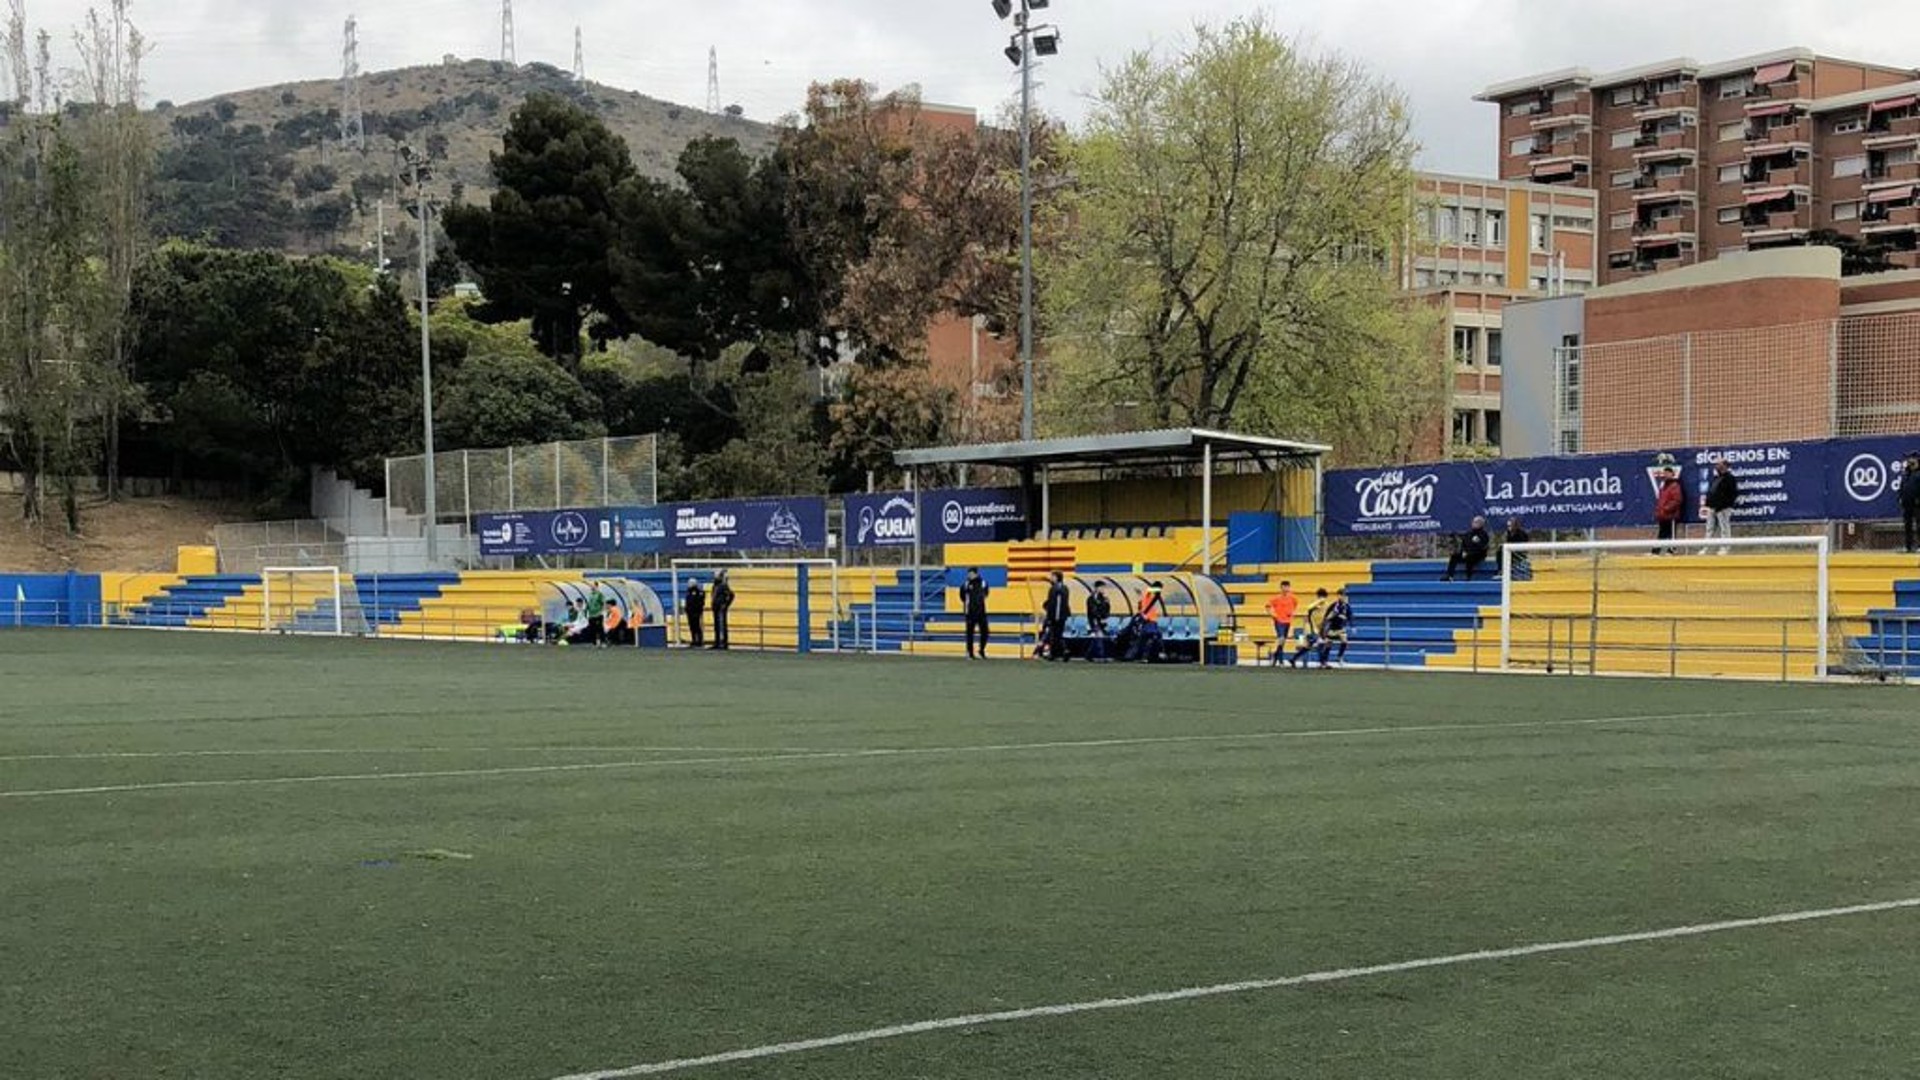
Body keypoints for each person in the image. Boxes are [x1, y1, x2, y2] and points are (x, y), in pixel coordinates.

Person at [1702, 457, 1740, 556]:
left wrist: (1724, 505)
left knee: (1724, 528)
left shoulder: (1730, 478)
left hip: (1723, 508)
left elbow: (1733, 494)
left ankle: (1725, 548)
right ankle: (1706, 548)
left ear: (1725, 466)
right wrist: (1709, 504)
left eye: (1719, 464)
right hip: (1712, 507)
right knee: (1709, 528)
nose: (1716, 466)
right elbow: (1712, 491)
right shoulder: (1716, 478)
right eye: (1716, 464)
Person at [1288, 588, 1330, 668]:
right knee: (1321, 643)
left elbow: (1325, 617)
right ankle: (1323, 663)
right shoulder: (1315, 605)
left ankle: (1293, 659)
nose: (1322, 599)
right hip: (1311, 628)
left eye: (1323, 597)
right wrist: (1319, 602)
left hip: (1319, 628)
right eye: (1321, 597)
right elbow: (1308, 607)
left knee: (1308, 647)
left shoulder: (1326, 605)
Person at [1126, 581, 1166, 662]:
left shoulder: (1148, 596)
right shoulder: (1149, 594)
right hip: (1149, 621)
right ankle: (1147, 656)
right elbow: (1155, 596)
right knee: (1150, 638)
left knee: (1144, 639)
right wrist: (1144, 613)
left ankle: (1134, 656)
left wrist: (1143, 614)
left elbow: (1145, 603)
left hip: (1150, 621)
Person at [1444, 516, 1492, 581]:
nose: (1473, 523)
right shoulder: (1469, 533)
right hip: (1467, 553)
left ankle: (1468, 577)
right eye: (1473, 522)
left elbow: (1483, 547)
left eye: (1475, 522)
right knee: (1454, 557)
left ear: (1481, 524)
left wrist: (1478, 542)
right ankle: (1450, 576)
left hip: (1478, 554)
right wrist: (1463, 551)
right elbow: (1464, 544)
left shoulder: (1484, 534)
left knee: (1470, 558)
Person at [1039, 570, 1072, 661]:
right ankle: (1064, 651)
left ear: (1056, 577)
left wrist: (1052, 616)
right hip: (1063, 616)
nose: (1051, 578)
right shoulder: (1065, 588)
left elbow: (1054, 603)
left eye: (1052, 576)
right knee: (1058, 634)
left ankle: (1055, 653)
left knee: (1054, 635)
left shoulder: (1055, 589)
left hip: (1056, 616)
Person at [1317, 588, 1353, 669]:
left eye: (1345, 595)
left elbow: (1350, 616)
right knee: (1328, 645)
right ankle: (1324, 662)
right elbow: (1326, 616)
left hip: (1340, 629)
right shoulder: (1333, 605)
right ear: (1338, 596)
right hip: (1332, 628)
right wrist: (1328, 620)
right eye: (1342, 595)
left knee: (1345, 640)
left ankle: (1339, 656)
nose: (1344, 597)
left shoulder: (1346, 606)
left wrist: (1352, 626)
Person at [1265, 581, 1299, 666]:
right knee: (1281, 639)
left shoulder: (1292, 598)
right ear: (1281, 588)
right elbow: (1267, 606)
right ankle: (1280, 660)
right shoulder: (1277, 598)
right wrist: (1272, 614)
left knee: (1282, 642)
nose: (1286, 589)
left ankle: (1275, 656)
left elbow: (1294, 606)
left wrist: (1291, 613)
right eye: (1284, 587)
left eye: (1287, 587)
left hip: (1287, 621)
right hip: (1279, 621)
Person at [961, 568, 991, 659]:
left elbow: (986, 594)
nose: (969, 575)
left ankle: (981, 650)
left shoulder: (983, 583)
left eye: (971, 574)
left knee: (985, 632)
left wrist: (979, 602)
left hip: (981, 612)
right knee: (970, 633)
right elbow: (962, 596)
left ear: (976, 574)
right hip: (970, 612)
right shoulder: (966, 584)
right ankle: (970, 653)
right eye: (968, 574)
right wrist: (969, 605)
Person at [1654, 467, 1685, 554]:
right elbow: (1660, 500)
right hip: (1663, 515)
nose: (1665, 475)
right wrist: (1659, 511)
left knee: (1671, 534)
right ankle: (1656, 551)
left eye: (1667, 473)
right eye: (1664, 473)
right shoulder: (1663, 486)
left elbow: (1677, 500)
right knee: (1662, 534)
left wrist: (1667, 509)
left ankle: (1671, 550)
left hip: (1671, 515)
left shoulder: (1675, 485)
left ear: (1672, 474)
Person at [1085, 582, 1113, 663]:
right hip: (1094, 620)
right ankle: (1101, 656)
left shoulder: (1104, 599)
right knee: (1099, 636)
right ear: (1097, 588)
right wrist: (1099, 618)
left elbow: (1107, 610)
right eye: (1102, 587)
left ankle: (1088, 655)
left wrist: (1105, 617)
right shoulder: (1091, 599)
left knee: (1097, 638)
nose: (1103, 589)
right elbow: (1092, 611)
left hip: (1102, 621)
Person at [1900, 452, 1920, 553]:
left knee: (1919, 525)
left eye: (1912, 458)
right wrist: (1900, 498)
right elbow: (1902, 487)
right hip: (1907, 504)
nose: (1910, 461)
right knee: (1908, 526)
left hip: (1918, 504)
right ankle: (1908, 546)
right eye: (1909, 459)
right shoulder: (1906, 474)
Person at [710, 570, 734, 650]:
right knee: (716, 626)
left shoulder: (724, 586)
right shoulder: (714, 586)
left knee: (722, 625)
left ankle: (724, 643)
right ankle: (717, 642)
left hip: (721, 608)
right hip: (715, 608)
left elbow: (731, 595)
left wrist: (726, 605)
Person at [683, 580, 706, 648]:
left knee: (697, 626)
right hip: (690, 612)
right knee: (692, 627)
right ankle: (694, 640)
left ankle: (699, 641)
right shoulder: (689, 591)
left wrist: (698, 609)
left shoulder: (697, 592)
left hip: (695, 612)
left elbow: (699, 602)